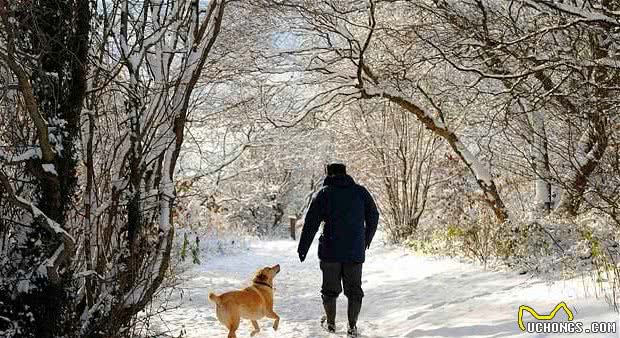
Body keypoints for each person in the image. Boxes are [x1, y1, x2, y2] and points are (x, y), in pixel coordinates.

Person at [297, 162, 379, 337]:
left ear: (329, 173)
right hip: (354, 251)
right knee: (354, 290)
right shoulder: (360, 192)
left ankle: (331, 324)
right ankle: (352, 326)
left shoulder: (325, 194)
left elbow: (311, 222)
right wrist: (366, 239)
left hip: (330, 251)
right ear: (345, 173)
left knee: (329, 290)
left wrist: (302, 248)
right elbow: (373, 215)